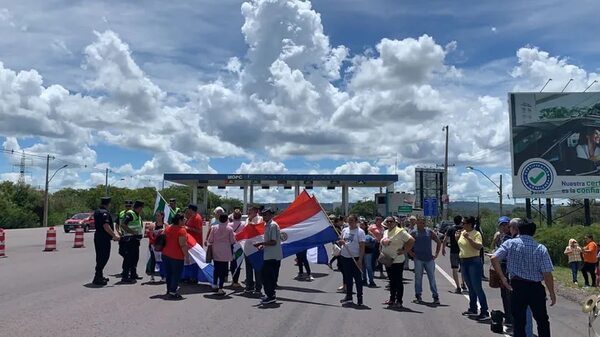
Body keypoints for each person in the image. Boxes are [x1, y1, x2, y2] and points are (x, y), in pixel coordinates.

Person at [491, 219, 556, 337]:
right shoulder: (541, 248)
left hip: (517, 286)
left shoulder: (510, 243)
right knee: (542, 320)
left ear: (518, 230)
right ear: (533, 232)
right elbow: (547, 274)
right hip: (536, 287)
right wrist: (551, 292)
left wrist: (503, 278)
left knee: (519, 321)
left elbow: (494, 258)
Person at [457, 216, 489, 320]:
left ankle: (484, 311)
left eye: (464, 223)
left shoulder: (476, 234)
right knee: (470, 286)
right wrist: (457, 237)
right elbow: (461, 245)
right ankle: (473, 308)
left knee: (477, 287)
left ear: (470, 224)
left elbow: (479, 247)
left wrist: (469, 238)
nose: (463, 225)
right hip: (463, 261)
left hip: (473, 261)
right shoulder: (462, 232)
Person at [381, 216, 415, 308]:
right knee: (391, 280)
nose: (389, 223)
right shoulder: (386, 231)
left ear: (395, 222)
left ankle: (399, 300)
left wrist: (405, 251)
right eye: (387, 222)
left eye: (391, 221)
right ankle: (392, 299)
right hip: (387, 259)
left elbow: (411, 240)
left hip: (397, 260)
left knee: (398, 281)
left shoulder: (400, 231)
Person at [253, 208, 282, 305]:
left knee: (268, 277)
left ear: (271, 215)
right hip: (269, 254)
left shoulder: (273, 225)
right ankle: (270, 295)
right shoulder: (267, 225)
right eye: (263, 215)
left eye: (266, 215)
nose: (264, 216)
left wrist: (260, 243)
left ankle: (270, 296)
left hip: (272, 256)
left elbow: (273, 242)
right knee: (267, 277)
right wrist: (263, 245)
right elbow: (269, 241)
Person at [409, 217, 441, 304]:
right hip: (418, 259)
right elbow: (407, 243)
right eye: (419, 222)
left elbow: (438, 241)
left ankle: (435, 296)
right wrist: (410, 252)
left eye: (423, 222)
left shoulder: (429, 232)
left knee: (432, 278)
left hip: (429, 259)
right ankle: (418, 295)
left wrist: (436, 254)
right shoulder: (414, 233)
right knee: (418, 278)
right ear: (417, 223)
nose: (421, 224)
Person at [337, 214, 366, 306]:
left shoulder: (360, 232)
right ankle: (349, 296)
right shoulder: (345, 230)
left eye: (352, 221)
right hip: (345, 257)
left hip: (356, 258)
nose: (350, 223)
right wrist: (340, 242)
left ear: (356, 221)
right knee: (348, 278)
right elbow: (341, 241)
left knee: (358, 279)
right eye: (349, 221)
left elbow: (362, 247)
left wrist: (360, 260)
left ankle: (359, 298)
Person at [92, 197, 120, 286]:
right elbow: (106, 226)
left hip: (98, 236)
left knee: (99, 256)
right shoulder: (104, 213)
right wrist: (114, 235)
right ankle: (97, 277)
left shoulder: (97, 211)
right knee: (104, 257)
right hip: (103, 237)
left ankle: (99, 275)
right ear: (108, 204)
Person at [207, 212, 236, 295]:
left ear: (219, 219)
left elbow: (210, 240)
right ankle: (220, 288)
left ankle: (214, 284)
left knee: (216, 269)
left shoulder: (214, 228)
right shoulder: (230, 229)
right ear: (227, 219)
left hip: (216, 250)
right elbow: (232, 241)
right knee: (223, 271)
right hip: (225, 252)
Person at [162, 213, 188, 300]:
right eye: (183, 219)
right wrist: (187, 257)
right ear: (179, 221)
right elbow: (183, 245)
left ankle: (169, 290)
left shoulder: (168, 228)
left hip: (166, 254)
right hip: (177, 256)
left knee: (168, 274)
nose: (185, 220)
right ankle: (173, 291)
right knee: (176, 275)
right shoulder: (182, 230)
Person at [494, 216, 514, 327]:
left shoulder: (511, 238)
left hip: (507, 267)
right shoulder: (502, 237)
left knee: (508, 294)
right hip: (502, 266)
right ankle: (508, 317)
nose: (504, 227)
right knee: (504, 294)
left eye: (505, 225)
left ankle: (511, 319)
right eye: (501, 225)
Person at [119, 200, 144, 283]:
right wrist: (133, 232)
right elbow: (123, 225)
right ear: (139, 207)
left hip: (135, 240)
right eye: (141, 208)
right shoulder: (130, 214)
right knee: (128, 258)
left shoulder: (137, 214)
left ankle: (133, 274)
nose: (142, 210)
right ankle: (125, 277)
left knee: (135, 258)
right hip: (130, 240)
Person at [442, 215, 466, 293]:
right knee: (463, 268)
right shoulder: (464, 229)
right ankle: (463, 283)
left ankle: (458, 286)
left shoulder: (451, 229)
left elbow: (445, 239)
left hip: (453, 251)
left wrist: (443, 248)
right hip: (463, 251)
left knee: (454, 269)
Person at [244, 204, 264, 295]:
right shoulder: (247, 219)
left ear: (256, 211)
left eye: (250, 211)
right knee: (248, 268)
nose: (248, 212)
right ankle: (249, 286)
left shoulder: (260, 219)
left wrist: (252, 224)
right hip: (247, 247)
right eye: (248, 210)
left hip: (256, 247)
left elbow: (259, 230)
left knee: (257, 268)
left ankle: (258, 288)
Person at [146, 211, 166, 282]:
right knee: (153, 260)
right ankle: (152, 276)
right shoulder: (152, 225)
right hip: (153, 245)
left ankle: (163, 276)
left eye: (158, 216)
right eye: (156, 216)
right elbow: (148, 235)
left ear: (162, 216)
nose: (157, 217)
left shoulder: (166, 225)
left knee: (162, 261)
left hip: (162, 246)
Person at [229, 209, 245, 287]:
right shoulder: (244, 224)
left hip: (231, 245)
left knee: (232, 262)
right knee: (238, 263)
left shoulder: (229, 225)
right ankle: (235, 281)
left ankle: (233, 280)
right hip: (240, 246)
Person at [361, 221, 376, 287]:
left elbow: (374, 240)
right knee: (363, 267)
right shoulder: (358, 232)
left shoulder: (368, 232)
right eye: (360, 225)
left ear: (365, 226)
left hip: (368, 252)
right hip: (360, 252)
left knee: (368, 266)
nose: (361, 226)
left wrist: (367, 243)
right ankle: (364, 280)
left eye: (362, 225)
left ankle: (371, 281)